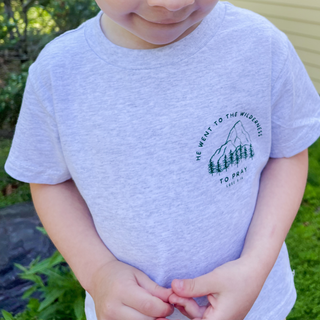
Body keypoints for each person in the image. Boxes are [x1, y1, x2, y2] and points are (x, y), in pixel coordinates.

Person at [4, 0, 320, 319]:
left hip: (257, 303)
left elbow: (287, 152)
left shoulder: (261, 43)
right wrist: (98, 272)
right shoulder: (57, 71)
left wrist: (255, 265)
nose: (171, 4)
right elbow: (50, 181)